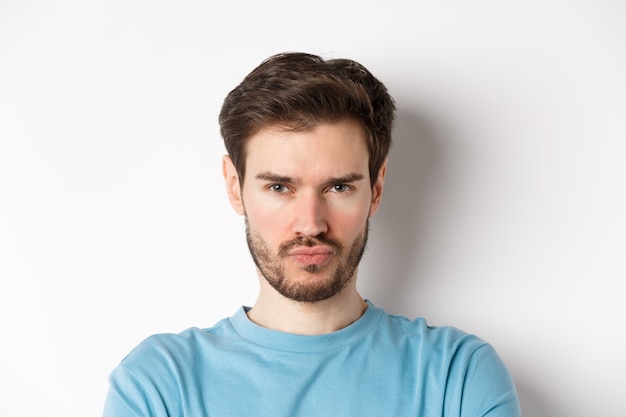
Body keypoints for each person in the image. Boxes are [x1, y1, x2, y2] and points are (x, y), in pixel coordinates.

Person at [103, 52, 521, 417]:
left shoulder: (457, 375)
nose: (310, 224)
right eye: (280, 187)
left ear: (375, 189)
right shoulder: (157, 385)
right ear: (235, 187)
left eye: (338, 187)